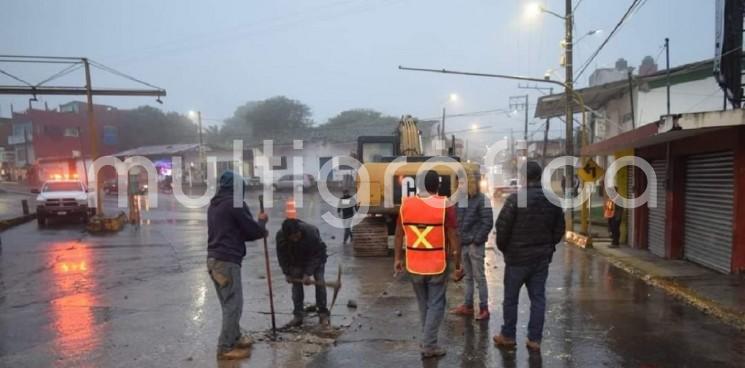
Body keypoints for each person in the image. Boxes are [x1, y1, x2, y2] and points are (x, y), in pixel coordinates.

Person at [492, 161, 565, 352]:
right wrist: (548, 246)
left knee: (510, 299)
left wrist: (505, 249)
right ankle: (535, 339)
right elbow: (560, 230)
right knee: (538, 299)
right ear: (540, 177)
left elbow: (502, 228)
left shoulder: (515, 199)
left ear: (524, 177)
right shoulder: (553, 200)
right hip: (541, 259)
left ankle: (508, 335)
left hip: (516, 260)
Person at [394, 170, 463, 359]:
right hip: (436, 264)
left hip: (414, 263)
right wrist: (458, 264)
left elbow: (399, 233)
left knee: (423, 304)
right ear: (437, 186)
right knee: (437, 304)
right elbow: (453, 236)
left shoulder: (406, 204)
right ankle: (429, 345)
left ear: (419, 186)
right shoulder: (444, 205)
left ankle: (427, 340)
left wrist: (397, 259)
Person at [207, 171, 268, 360]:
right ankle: (225, 348)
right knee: (233, 305)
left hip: (213, 260)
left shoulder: (214, 204)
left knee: (229, 303)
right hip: (227, 261)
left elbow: (240, 231)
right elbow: (253, 231)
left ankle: (236, 337)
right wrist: (262, 223)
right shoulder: (235, 203)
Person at [450, 174, 494, 320]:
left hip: (475, 245)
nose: (458, 186)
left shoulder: (483, 199)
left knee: (479, 277)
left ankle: (484, 309)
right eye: (457, 184)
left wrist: (477, 240)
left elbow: (488, 222)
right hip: (464, 245)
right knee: (468, 277)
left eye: (461, 184)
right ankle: (468, 306)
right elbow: (457, 221)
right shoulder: (460, 200)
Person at [276, 218, 330, 328]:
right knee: (296, 285)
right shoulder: (281, 236)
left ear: (299, 230)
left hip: (316, 257)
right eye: (292, 238)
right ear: (287, 236)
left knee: (320, 281)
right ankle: (298, 315)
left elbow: (316, 256)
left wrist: (307, 274)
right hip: (297, 259)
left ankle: (323, 313)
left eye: (297, 236)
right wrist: (287, 273)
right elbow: (282, 256)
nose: (295, 239)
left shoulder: (311, 232)